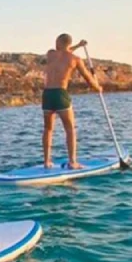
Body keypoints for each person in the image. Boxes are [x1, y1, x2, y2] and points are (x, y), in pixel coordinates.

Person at [42, 34, 102, 170]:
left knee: (48, 129)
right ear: (69, 44)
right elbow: (87, 77)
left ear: (58, 42)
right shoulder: (75, 59)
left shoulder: (50, 54)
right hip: (60, 94)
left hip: (47, 94)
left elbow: (64, 51)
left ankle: (47, 162)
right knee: (70, 129)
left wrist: (78, 46)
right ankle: (72, 162)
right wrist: (97, 87)